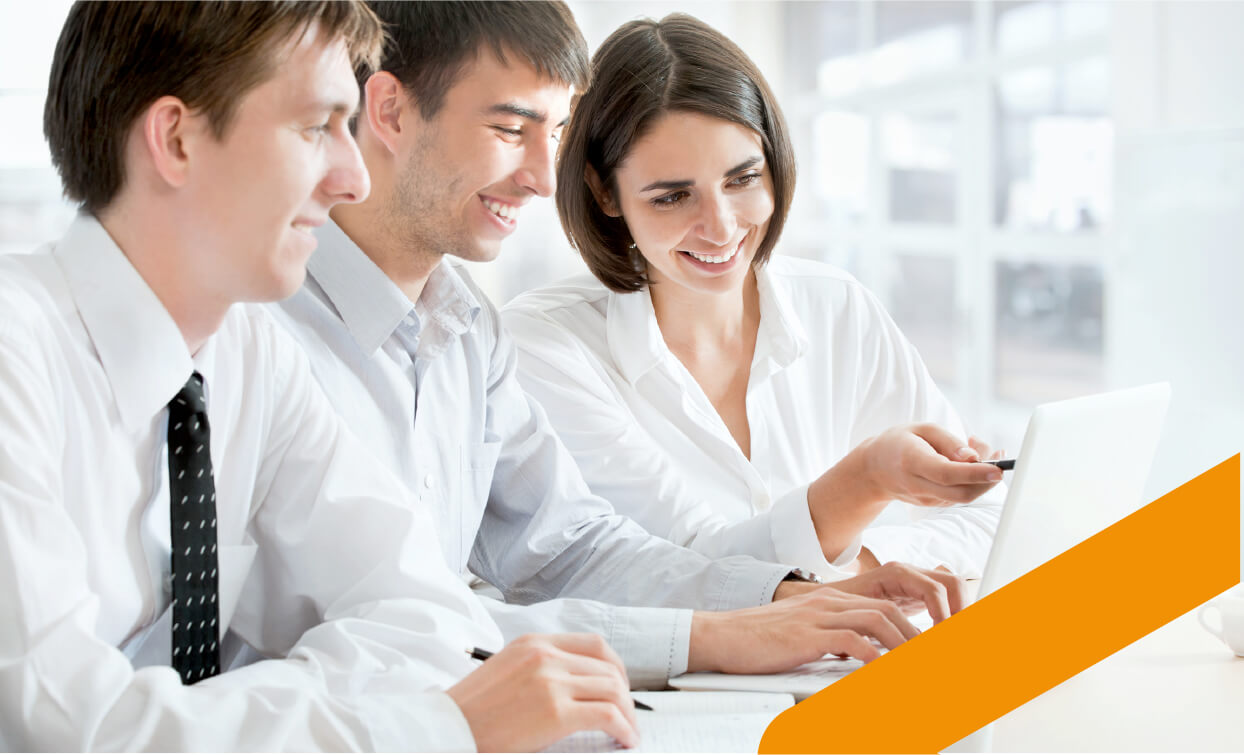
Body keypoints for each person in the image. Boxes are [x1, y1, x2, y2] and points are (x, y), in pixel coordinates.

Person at [268, 0, 967, 705]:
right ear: (389, 112)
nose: (544, 179)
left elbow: (570, 548)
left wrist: (782, 598)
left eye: (554, 133)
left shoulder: (467, 326)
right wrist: (713, 635)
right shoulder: (266, 332)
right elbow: (392, 627)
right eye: (510, 129)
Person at [0, 3, 640, 751]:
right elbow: (55, 727)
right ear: (175, 139)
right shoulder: (17, 357)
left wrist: (247, 721)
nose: (353, 178)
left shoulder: (247, 355)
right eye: (314, 128)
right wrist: (428, 726)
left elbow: (427, 616)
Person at [502, 13, 1005, 584]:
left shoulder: (838, 307)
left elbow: (988, 516)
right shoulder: (544, 346)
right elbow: (692, 569)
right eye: (672, 197)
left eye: (742, 179)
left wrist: (862, 565)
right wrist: (865, 483)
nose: (721, 228)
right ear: (604, 193)